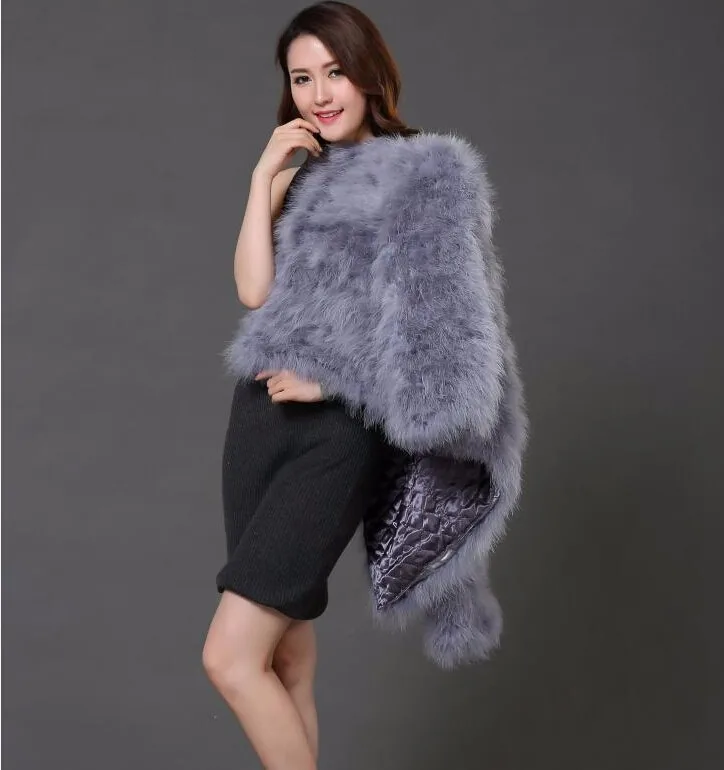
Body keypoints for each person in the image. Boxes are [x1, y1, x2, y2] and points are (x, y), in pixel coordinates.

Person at [202, 3, 422, 768]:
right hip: (258, 428)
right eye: (302, 78)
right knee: (285, 658)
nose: (319, 94)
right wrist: (263, 176)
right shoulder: (304, 174)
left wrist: (332, 380)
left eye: (334, 72)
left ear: (368, 74)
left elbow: (432, 336)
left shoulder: (416, 178)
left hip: (335, 437)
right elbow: (253, 290)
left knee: (230, 657)